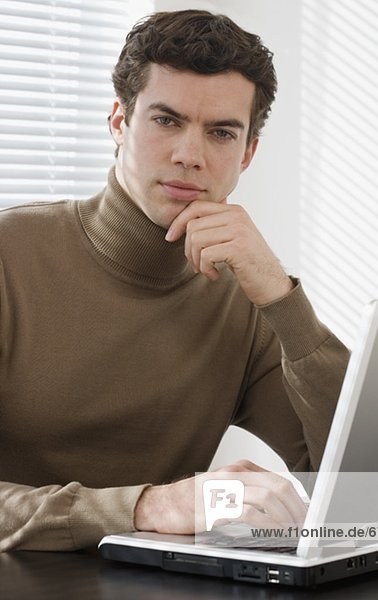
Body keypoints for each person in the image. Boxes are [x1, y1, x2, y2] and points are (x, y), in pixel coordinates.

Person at [0, 10, 349, 551]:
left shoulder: (246, 297)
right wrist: (149, 504)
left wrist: (283, 300)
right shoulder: (10, 254)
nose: (191, 156)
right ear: (119, 123)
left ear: (247, 153)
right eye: (166, 121)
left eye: (221, 133)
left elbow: (367, 480)